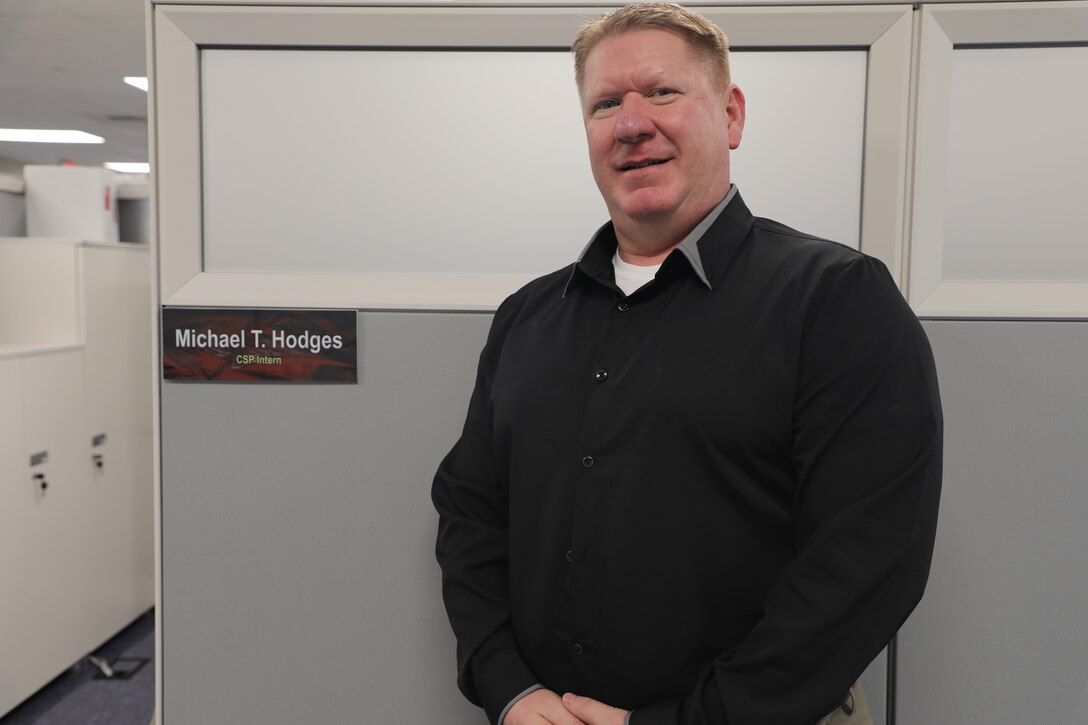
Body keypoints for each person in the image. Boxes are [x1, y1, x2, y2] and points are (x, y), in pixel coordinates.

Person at [432, 4, 943, 724]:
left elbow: (865, 563)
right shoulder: (527, 318)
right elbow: (469, 514)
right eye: (606, 103)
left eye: (662, 93)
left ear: (730, 115)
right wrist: (509, 687)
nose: (632, 123)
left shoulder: (836, 302)